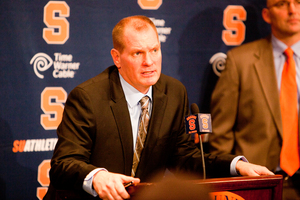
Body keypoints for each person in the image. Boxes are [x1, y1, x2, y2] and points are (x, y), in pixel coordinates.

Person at [44, 15, 273, 200]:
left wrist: (236, 166)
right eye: (138, 53)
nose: (149, 62)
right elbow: (63, 163)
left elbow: (185, 158)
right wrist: (97, 177)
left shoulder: (174, 93)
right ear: (117, 58)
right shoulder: (88, 97)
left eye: (154, 50)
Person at [209, 0, 300, 199]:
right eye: (283, 4)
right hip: (259, 186)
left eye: (298, 2)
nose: (293, 10)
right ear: (267, 15)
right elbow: (220, 137)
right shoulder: (240, 61)